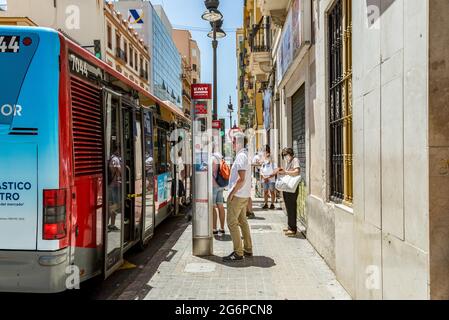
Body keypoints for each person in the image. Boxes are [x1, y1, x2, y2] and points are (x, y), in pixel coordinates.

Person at [223, 132, 253, 262]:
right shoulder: (245, 155)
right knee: (242, 222)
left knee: (231, 223)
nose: (232, 144)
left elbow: (241, 179)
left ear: (239, 142)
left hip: (238, 195)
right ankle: (248, 248)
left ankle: (238, 252)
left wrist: (231, 193)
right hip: (244, 194)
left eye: (234, 142)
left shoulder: (241, 156)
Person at [277, 148, 301, 237]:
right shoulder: (288, 162)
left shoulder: (295, 160)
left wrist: (286, 171)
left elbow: (297, 171)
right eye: (284, 155)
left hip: (292, 187)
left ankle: (293, 229)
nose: (285, 157)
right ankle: (290, 226)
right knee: (288, 207)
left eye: (285, 155)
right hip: (287, 187)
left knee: (292, 207)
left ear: (290, 154)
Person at [212, 148, 226, 237]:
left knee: (212, 207)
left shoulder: (212, 158)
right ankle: (222, 228)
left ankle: (214, 228)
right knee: (220, 206)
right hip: (221, 185)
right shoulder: (220, 157)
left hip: (213, 185)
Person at [108, 145, 122, 232]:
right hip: (115, 185)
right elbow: (119, 171)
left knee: (112, 205)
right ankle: (112, 224)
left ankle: (110, 224)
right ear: (117, 149)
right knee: (115, 205)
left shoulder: (111, 158)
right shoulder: (116, 159)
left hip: (111, 184)